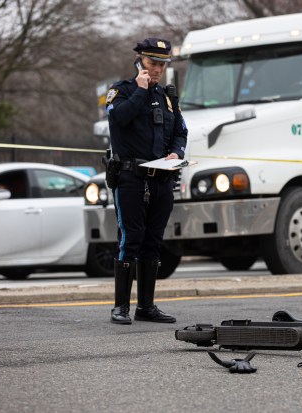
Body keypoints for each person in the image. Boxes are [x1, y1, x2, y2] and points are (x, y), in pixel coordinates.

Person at [105, 37, 188, 324]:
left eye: (162, 65)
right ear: (140, 61)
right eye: (153, 64)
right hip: (130, 177)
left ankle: (146, 306)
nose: (157, 70)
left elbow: (181, 131)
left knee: (154, 241)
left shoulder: (167, 97)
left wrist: (176, 152)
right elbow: (119, 120)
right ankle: (121, 307)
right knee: (131, 239)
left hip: (161, 179)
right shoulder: (121, 91)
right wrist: (140, 91)